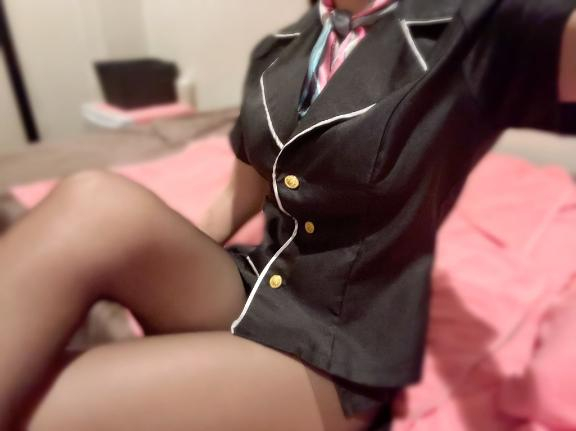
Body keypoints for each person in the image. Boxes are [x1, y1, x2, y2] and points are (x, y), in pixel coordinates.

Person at [1, 0, 575, 430]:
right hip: (260, 284)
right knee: (94, 199)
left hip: (338, 349)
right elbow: (247, 182)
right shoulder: (282, 46)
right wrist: (165, 265)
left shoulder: (478, 30)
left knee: (45, 409)